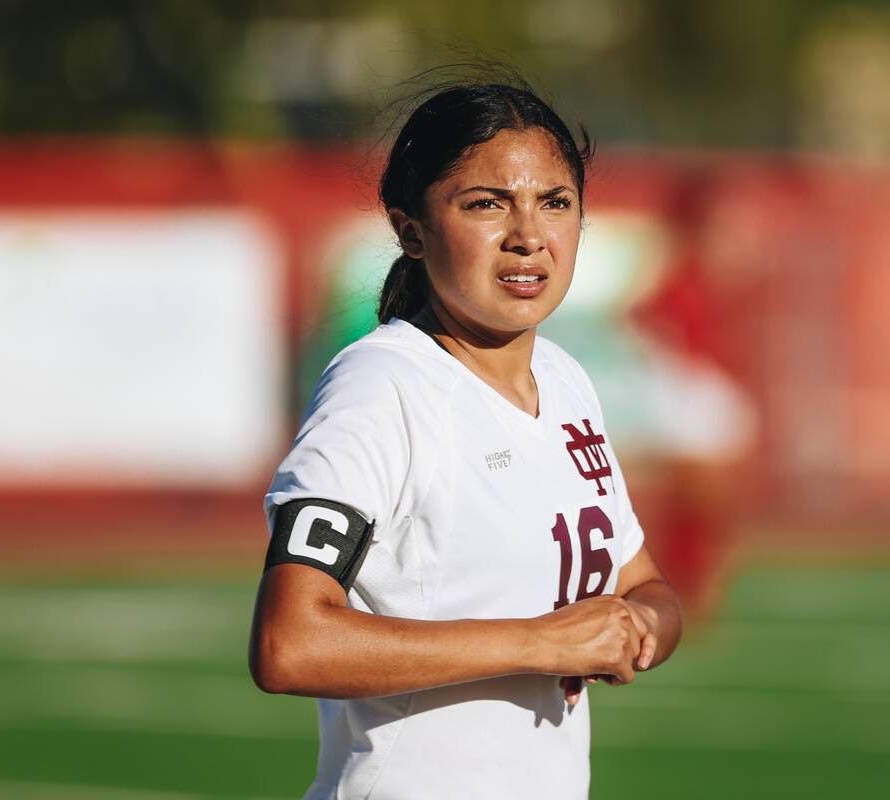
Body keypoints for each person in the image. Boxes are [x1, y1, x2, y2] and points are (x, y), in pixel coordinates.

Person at [249, 80, 683, 800]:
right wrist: (539, 643)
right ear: (411, 230)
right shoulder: (382, 384)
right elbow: (289, 643)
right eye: (486, 203)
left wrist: (635, 629)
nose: (528, 234)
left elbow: (644, 586)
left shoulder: (567, 380)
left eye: (555, 201)